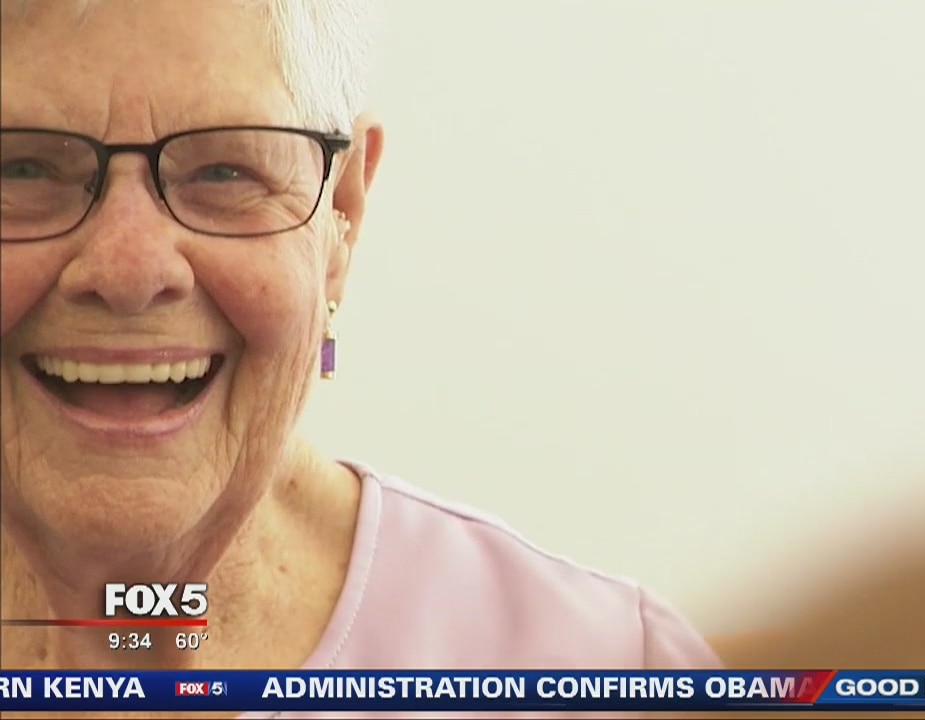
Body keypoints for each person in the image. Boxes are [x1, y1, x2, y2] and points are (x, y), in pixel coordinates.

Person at [0, 0, 720, 677]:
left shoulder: (608, 674)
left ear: (342, 216)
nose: (128, 272)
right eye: (22, 169)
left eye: (224, 172)